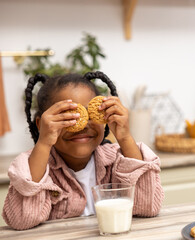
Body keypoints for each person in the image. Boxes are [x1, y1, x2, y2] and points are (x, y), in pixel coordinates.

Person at [2, 71, 164, 230]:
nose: (82, 124)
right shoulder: (31, 168)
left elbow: (147, 208)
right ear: (41, 125)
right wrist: (43, 143)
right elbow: (22, 220)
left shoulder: (118, 159)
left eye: (91, 114)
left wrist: (125, 138)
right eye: (67, 116)